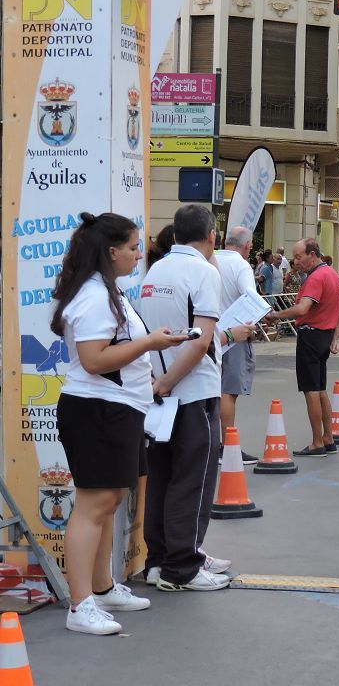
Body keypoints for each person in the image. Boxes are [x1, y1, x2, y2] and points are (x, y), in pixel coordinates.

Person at [52, 213, 188, 634]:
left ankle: (103, 586)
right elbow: (94, 361)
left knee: (107, 503)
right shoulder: (94, 297)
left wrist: (144, 369)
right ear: (111, 252)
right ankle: (80, 605)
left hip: (117, 409)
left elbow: (117, 351)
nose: (137, 255)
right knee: (93, 505)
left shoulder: (107, 291)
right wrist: (151, 342)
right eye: (132, 248)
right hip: (97, 411)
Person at [140, 205, 255, 593]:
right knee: (194, 480)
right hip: (190, 391)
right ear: (211, 237)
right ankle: (183, 567)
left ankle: (160, 561)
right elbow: (202, 338)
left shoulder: (155, 272)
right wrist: (170, 381)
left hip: (160, 391)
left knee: (162, 479)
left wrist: (160, 382)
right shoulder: (204, 272)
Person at [265, 239, 339, 456]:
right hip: (324, 336)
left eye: (299, 256)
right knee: (320, 389)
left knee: (311, 391)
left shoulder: (316, 277)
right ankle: (328, 438)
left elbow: (302, 309)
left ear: (312, 254)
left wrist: (275, 315)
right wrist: (335, 338)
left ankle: (317, 442)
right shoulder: (332, 274)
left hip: (311, 336)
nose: (296, 261)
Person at [215, 226, 261, 465]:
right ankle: (227, 446)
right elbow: (250, 298)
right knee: (228, 392)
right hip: (233, 335)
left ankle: (213, 444)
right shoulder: (241, 265)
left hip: (208, 333)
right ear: (246, 246)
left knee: (212, 391)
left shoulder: (209, 259)